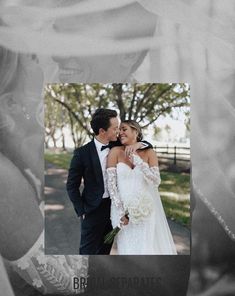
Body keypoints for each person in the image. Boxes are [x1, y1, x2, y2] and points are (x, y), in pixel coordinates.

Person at [66, 108, 152, 255]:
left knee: (105, 249)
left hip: (114, 209)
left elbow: (146, 143)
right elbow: (71, 186)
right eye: (115, 128)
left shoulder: (118, 145)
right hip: (92, 210)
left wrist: (137, 145)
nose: (119, 131)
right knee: (87, 251)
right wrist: (81, 210)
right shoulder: (82, 153)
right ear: (102, 131)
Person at [106, 120, 177, 255]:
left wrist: (138, 161)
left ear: (135, 132)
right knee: (126, 249)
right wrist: (121, 211)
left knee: (145, 249)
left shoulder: (149, 152)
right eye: (119, 130)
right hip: (121, 211)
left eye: (124, 129)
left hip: (145, 210)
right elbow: (111, 186)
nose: (120, 132)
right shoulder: (115, 151)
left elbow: (156, 181)